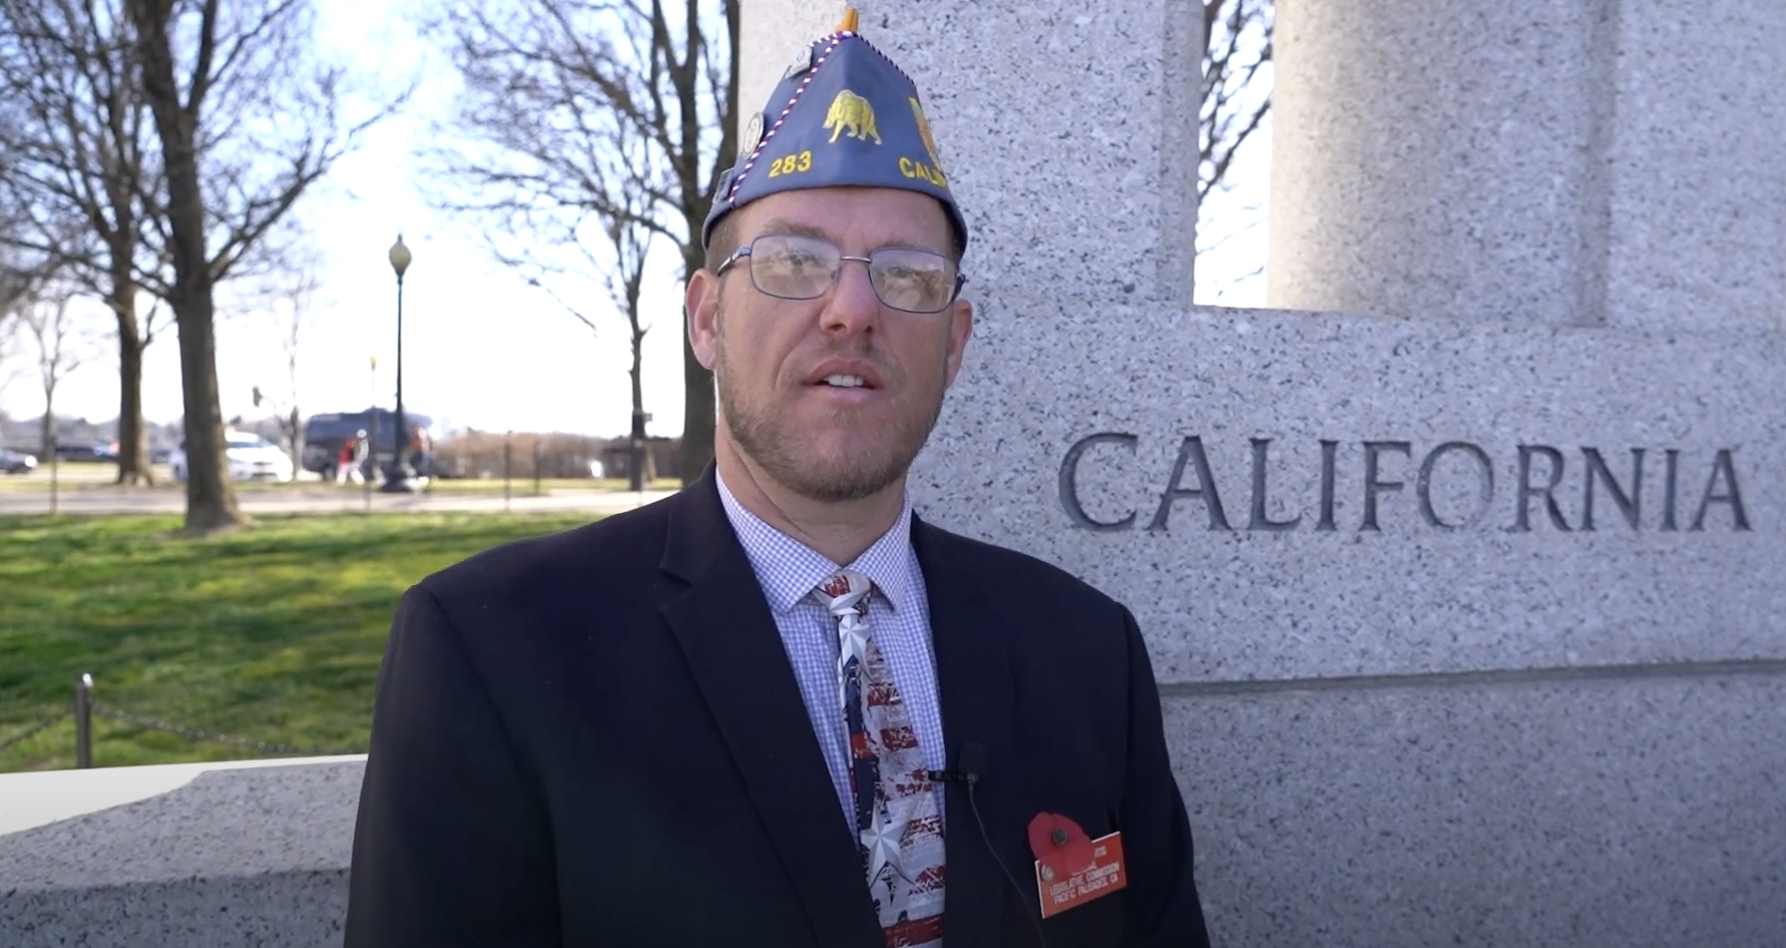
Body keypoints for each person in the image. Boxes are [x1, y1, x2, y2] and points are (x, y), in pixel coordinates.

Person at [345, 11, 1210, 947]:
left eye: (908, 276)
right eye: (796, 262)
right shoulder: (496, 652)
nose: (851, 309)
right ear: (707, 318)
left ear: (952, 346)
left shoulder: (1088, 655)